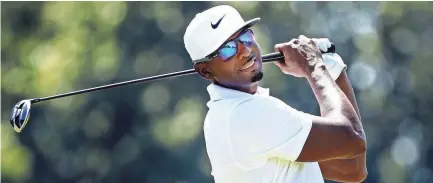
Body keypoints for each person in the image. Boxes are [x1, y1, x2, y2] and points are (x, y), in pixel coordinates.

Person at [183, 5, 367, 183]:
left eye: (245, 37)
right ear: (205, 71)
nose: (245, 51)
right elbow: (353, 138)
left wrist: (333, 72)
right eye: (227, 49)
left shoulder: (233, 114)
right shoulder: (244, 114)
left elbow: (352, 169)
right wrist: (314, 66)